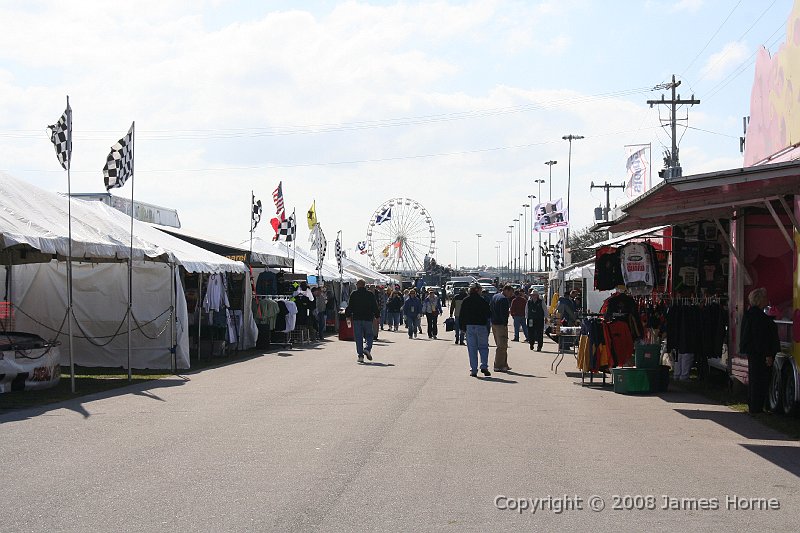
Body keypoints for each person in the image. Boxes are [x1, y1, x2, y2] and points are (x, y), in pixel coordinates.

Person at [739, 287, 780, 414]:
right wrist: (767, 354)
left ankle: (753, 406)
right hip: (759, 353)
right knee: (760, 380)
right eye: (765, 297)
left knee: (754, 379)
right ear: (759, 299)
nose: (767, 300)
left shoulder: (750, 314)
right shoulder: (759, 317)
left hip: (753, 352)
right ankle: (757, 408)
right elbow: (761, 338)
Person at [459, 283, 492, 377]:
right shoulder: (483, 301)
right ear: (477, 290)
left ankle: (474, 370)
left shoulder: (466, 300)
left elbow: (462, 315)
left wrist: (462, 327)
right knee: (483, 347)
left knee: (472, 349)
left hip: (469, 327)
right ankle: (484, 366)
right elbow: (489, 314)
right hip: (481, 326)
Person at [344, 279, 380, 363]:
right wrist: (377, 316)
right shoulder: (370, 294)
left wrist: (347, 315)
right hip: (368, 318)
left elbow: (350, 306)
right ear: (364, 285)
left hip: (357, 318)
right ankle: (367, 348)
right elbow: (375, 306)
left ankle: (360, 355)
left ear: (358, 285)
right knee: (369, 335)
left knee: (358, 337)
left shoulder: (354, 294)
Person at [490, 285, 514, 372]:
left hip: (494, 323)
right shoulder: (503, 299)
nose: (511, 295)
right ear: (506, 290)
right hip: (500, 324)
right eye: (511, 292)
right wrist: (505, 324)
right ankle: (498, 365)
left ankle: (504, 364)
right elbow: (504, 314)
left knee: (501, 344)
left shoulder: (495, 296)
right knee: (502, 345)